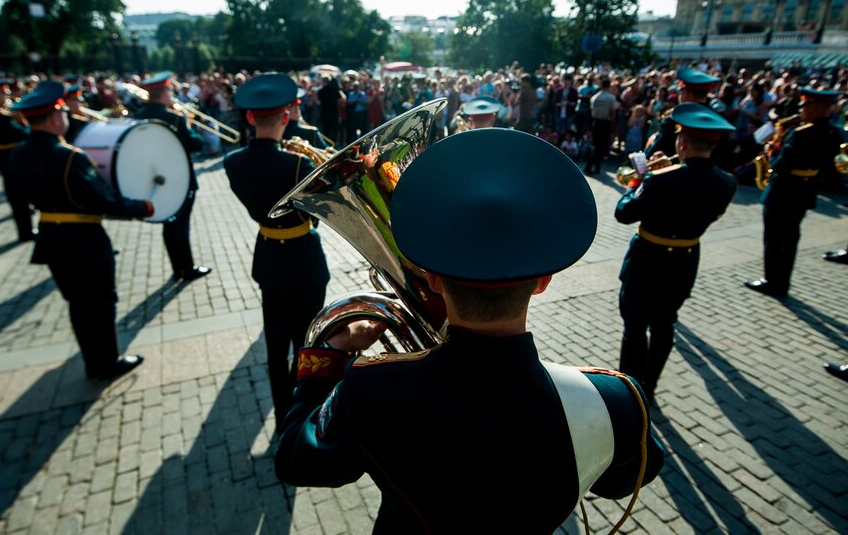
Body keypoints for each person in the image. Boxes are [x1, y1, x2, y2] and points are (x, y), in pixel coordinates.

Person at [275, 128, 664, 533]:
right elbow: (622, 482)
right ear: (543, 280)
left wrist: (330, 355)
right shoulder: (614, 401)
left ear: (432, 279)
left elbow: (295, 460)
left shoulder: (369, 390)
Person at [8, 81, 152, 380]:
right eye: (63, 113)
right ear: (54, 117)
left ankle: (92, 360)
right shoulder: (69, 157)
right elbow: (104, 200)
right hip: (84, 241)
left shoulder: (18, 154)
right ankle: (107, 363)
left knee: (77, 303)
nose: (67, 119)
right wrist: (142, 207)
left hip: (51, 237)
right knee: (100, 303)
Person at [224, 73, 330, 433]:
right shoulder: (298, 165)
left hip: (268, 256)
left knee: (275, 343)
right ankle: (303, 415)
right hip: (304, 258)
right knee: (307, 342)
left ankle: (283, 411)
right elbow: (322, 208)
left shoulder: (232, 162)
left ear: (250, 118)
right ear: (287, 117)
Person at [616, 103, 737, 402]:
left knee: (634, 329)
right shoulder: (727, 182)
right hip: (683, 263)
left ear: (681, 143)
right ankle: (651, 388)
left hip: (646, 261)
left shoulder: (660, 180)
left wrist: (642, 179)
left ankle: (631, 392)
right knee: (664, 325)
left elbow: (624, 213)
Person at [744, 89, 844, 297]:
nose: (802, 111)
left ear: (816, 107)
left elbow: (781, 164)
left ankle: (772, 281)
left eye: (805, 106)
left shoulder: (800, 133)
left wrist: (771, 150)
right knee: (790, 238)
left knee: (773, 238)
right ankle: (783, 281)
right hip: (805, 190)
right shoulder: (833, 132)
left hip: (783, 191)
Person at [134, 71, 211, 282]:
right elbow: (196, 144)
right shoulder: (175, 118)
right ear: (163, 93)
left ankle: (177, 269)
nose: (171, 94)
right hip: (180, 178)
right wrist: (188, 124)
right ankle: (187, 268)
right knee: (181, 225)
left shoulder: (138, 116)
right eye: (169, 90)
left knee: (169, 223)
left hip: (154, 177)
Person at [0, 75, 34, 242]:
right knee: (19, 199)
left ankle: (25, 231)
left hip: (4, 161)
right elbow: (25, 133)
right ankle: (26, 233)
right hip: (11, 161)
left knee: (17, 198)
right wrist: (21, 119)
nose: (6, 96)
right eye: (2, 93)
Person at [644, 67, 722, 160]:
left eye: (680, 92)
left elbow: (651, 154)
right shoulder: (719, 121)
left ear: (685, 94)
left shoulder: (673, 120)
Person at [585, 78, 618, 175]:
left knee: (598, 146)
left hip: (596, 122)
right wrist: (613, 124)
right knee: (600, 147)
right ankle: (589, 166)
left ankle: (597, 168)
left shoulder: (595, 97)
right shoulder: (611, 98)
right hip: (605, 123)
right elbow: (613, 112)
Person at [283, 84, 331, 149]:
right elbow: (329, 154)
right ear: (296, 110)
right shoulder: (312, 133)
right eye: (298, 106)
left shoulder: (276, 134)